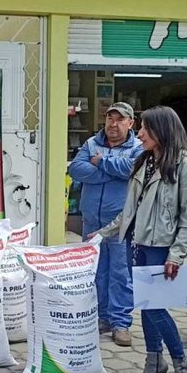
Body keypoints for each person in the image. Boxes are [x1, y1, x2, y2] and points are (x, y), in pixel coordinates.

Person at [95, 105, 187, 373]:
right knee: (145, 306)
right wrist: (103, 234)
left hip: (162, 249)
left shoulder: (185, 165)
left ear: (162, 131)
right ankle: (154, 363)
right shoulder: (144, 161)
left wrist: (176, 255)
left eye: (145, 129)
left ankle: (182, 365)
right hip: (138, 245)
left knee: (155, 308)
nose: (139, 134)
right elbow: (130, 211)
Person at [68, 102, 143, 347]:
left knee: (120, 273)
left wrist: (100, 163)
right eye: (110, 118)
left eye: (120, 119)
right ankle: (102, 318)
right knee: (96, 271)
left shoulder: (138, 147)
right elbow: (77, 170)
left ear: (130, 123)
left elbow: (133, 169)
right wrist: (111, 170)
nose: (113, 123)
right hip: (92, 220)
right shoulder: (92, 143)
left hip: (121, 222)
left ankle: (120, 323)